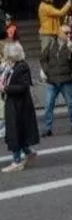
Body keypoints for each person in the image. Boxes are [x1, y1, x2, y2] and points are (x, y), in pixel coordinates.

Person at [1, 42, 40, 172]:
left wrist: (5, 88)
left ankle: (17, 161)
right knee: (18, 132)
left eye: (7, 56)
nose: (6, 58)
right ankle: (28, 152)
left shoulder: (22, 67)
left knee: (15, 132)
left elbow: (23, 86)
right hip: (13, 103)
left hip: (19, 105)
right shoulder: (10, 66)